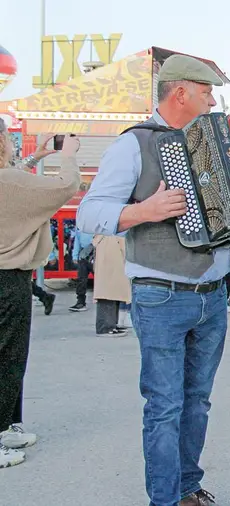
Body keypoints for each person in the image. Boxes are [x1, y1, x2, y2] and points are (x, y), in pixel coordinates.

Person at [76, 54, 230, 506]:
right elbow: (88, 214)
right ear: (181, 93)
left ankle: (187, 487)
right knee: (165, 407)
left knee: (197, 401)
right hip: (160, 294)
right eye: (206, 92)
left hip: (214, 294)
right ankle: (165, 498)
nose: (213, 101)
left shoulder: (216, 142)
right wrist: (144, 211)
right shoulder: (134, 144)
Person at [0, 125, 80, 469]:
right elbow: (65, 186)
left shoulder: (9, 180)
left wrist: (37, 156)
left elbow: (15, 179)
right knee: (8, 357)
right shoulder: (10, 182)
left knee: (9, 354)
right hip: (8, 278)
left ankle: (5, 426)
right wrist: (68, 156)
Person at [69, 229, 95, 312]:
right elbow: (77, 239)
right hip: (83, 254)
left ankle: (107, 303)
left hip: (97, 254)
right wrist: (75, 255)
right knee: (81, 280)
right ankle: (80, 302)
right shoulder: (80, 224)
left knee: (101, 280)